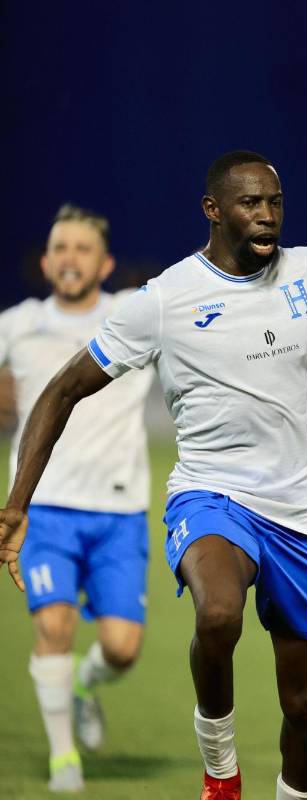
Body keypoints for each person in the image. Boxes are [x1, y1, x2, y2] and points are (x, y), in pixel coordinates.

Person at [0, 151, 307, 800]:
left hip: (301, 514)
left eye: (275, 201)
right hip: (212, 496)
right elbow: (61, 391)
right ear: (213, 210)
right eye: (251, 203)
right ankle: (221, 772)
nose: (267, 214)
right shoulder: (164, 301)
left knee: (305, 706)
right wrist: (18, 502)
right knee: (218, 614)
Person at [0, 205, 154, 792]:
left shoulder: (132, 317)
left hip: (120, 514)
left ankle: (87, 686)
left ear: (105, 263)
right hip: (44, 510)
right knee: (54, 624)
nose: (70, 257)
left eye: (82, 248)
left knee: (122, 648)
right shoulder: (19, 323)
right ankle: (64, 757)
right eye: (60, 247)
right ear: (45, 262)